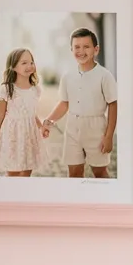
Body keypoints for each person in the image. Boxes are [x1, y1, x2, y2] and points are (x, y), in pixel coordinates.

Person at [41, 28, 117, 179]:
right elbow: (64, 103)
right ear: (71, 50)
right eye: (77, 47)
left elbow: (113, 105)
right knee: (74, 173)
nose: (81, 51)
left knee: (100, 172)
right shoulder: (68, 77)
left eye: (86, 46)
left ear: (96, 50)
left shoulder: (105, 76)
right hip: (72, 129)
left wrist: (109, 137)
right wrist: (49, 121)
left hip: (96, 128)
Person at [0, 48, 45, 177]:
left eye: (31, 62)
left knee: (26, 173)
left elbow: (31, 114)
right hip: (12, 137)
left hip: (29, 137)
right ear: (13, 67)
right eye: (24, 63)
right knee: (13, 174)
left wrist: (41, 127)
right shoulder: (7, 89)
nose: (29, 66)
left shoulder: (35, 90)